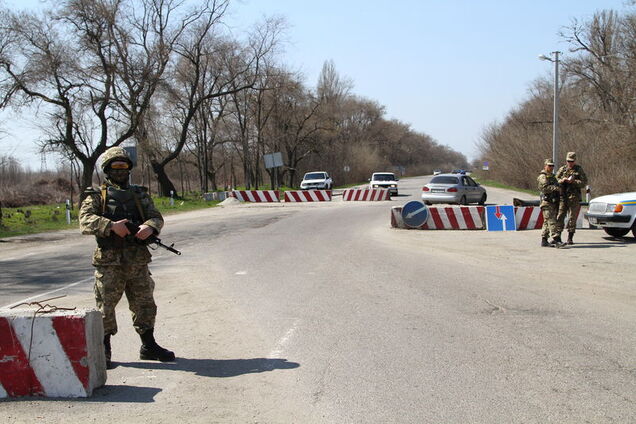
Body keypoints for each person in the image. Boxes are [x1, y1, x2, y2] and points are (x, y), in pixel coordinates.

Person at [79, 146, 175, 368]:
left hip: (137, 260)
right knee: (106, 307)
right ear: (107, 170)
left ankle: (148, 345)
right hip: (109, 262)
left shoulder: (139, 194)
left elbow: (156, 217)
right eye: (116, 166)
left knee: (145, 304)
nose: (120, 171)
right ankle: (104, 349)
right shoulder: (96, 195)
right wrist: (110, 226)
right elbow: (85, 222)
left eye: (124, 166)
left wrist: (149, 228)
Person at [555, 151, 588, 245]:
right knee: (560, 216)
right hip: (563, 196)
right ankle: (558, 237)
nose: (570, 163)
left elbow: (584, 182)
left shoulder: (578, 169)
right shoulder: (562, 169)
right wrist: (563, 180)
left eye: (572, 161)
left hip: (574, 197)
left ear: (575, 161)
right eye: (568, 161)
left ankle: (570, 237)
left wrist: (573, 182)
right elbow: (555, 179)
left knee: (572, 218)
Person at [537, 159, 563, 247]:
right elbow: (545, 188)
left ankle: (544, 240)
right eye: (549, 166)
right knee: (552, 221)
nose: (551, 167)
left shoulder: (552, 176)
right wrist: (556, 188)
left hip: (553, 202)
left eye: (552, 166)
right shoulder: (543, 176)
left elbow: (557, 185)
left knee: (546, 222)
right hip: (546, 202)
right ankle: (556, 239)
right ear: (545, 166)